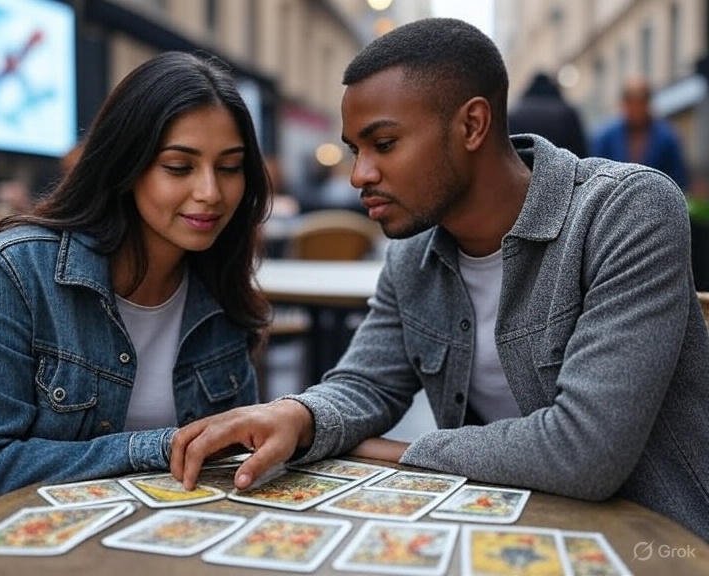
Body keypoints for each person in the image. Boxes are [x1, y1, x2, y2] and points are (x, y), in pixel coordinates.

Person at [166, 19, 709, 541]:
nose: (359, 175)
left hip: (654, 542)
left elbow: (584, 452)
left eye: (384, 144)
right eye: (357, 151)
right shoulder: (413, 251)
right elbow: (367, 383)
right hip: (500, 527)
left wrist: (397, 451)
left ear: (472, 125)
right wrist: (297, 415)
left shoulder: (625, 211)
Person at [0, 51, 271, 523]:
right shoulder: (18, 268)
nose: (211, 192)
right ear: (126, 166)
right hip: (7, 546)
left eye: (230, 167)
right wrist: (162, 447)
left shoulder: (220, 284)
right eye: (179, 167)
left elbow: (234, 460)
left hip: (158, 537)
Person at [593, 76, 689, 189]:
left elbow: (678, 178)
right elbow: (597, 176)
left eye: (640, 103)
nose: (636, 109)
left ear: (648, 104)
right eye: (631, 102)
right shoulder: (606, 137)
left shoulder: (667, 137)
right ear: (624, 104)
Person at [508, 71, 588, 157]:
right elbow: (580, 149)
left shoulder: (516, 112)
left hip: (523, 166)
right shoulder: (566, 112)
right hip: (560, 166)